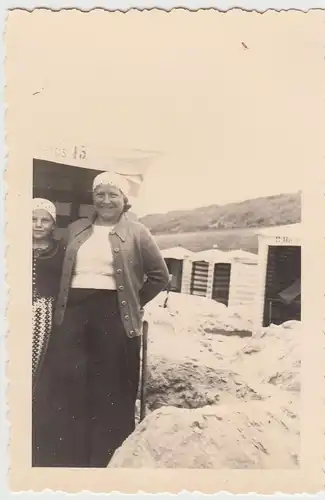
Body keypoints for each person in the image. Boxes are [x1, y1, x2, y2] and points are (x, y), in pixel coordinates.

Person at [35, 171, 169, 468]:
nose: (106, 200)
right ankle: (65, 459)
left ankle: (105, 461)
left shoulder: (138, 232)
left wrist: (132, 304)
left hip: (114, 318)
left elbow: (161, 276)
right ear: (92, 198)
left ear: (124, 200)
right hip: (72, 316)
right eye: (100, 194)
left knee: (110, 388)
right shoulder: (75, 229)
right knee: (69, 387)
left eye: (113, 195)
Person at [32, 198, 66, 466]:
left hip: (43, 311)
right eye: (34, 219)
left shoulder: (58, 250)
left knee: (37, 363)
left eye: (45, 220)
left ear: (53, 224)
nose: (39, 225)